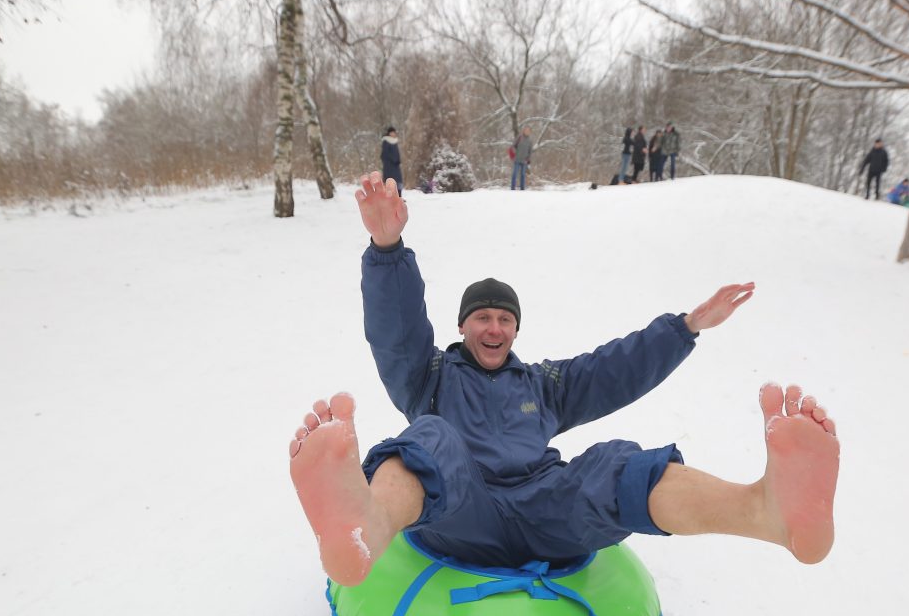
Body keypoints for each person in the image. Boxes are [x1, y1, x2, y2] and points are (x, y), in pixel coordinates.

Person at [288, 171, 841, 587]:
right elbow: (396, 330)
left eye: (505, 319)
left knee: (615, 463)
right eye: (483, 316)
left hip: (544, 510)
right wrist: (387, 250)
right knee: (429, 438)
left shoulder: (543, 383)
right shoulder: (428, 375)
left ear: (516, 331)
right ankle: (368, 525)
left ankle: (764, 511)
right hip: (458, 511)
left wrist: (688, 326)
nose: (495, 327)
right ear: (463, 326)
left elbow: (614, 367)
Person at [381, 127, 403, 198]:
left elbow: (397, 153)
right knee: (389, 180)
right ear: (389, 133)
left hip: (396, 165)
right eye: (392, 132)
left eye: (394, 132)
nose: (393, 134)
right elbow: (385, 154)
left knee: (398, 181)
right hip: (389, 166)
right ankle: (389, 197)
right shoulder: (386, 141)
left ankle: (399, 196)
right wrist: (393, 159)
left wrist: (398, 160)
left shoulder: (395, 141)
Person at [510, 126, 533, 190]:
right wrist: (515, 154)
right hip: (517, 159)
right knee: (515, 174)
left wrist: (528, 159)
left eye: (528, 131)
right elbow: (513, 146)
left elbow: (530, 151)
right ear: (523, 131)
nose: (527, 132)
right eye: (526, 130)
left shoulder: (530, 141)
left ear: (530, 132)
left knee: (523, 175)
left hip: (524, 160)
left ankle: (522, 189)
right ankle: (512, 188)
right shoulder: (519, 137)